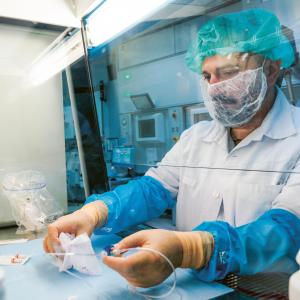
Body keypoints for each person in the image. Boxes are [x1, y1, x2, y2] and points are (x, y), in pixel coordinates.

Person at [44, 8, 300, 288]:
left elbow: (285, 230)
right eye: (207, 76)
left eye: (228, 73)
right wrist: (95, 213)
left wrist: (192, 249)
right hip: (192, 287)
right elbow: (152, 189)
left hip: (267, 291)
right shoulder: (196, 138)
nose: (215, 87)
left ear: (271, 70)